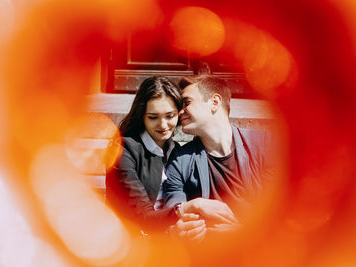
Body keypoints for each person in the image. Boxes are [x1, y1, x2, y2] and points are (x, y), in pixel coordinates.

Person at [163, 75, 275, 240]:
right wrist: (189, 219)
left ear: (214, 102)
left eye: (187, 103)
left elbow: (283, 208)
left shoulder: (264, 144)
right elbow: (174, 206)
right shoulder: (180, 158)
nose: (180, 112)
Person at [105, 76, 183, 233]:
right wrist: (183, 211)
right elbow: (142, 216)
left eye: (170, 116)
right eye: (153, 117)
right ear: (142, 116)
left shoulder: (175, 149)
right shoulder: (122, 149)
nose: (163, 125)